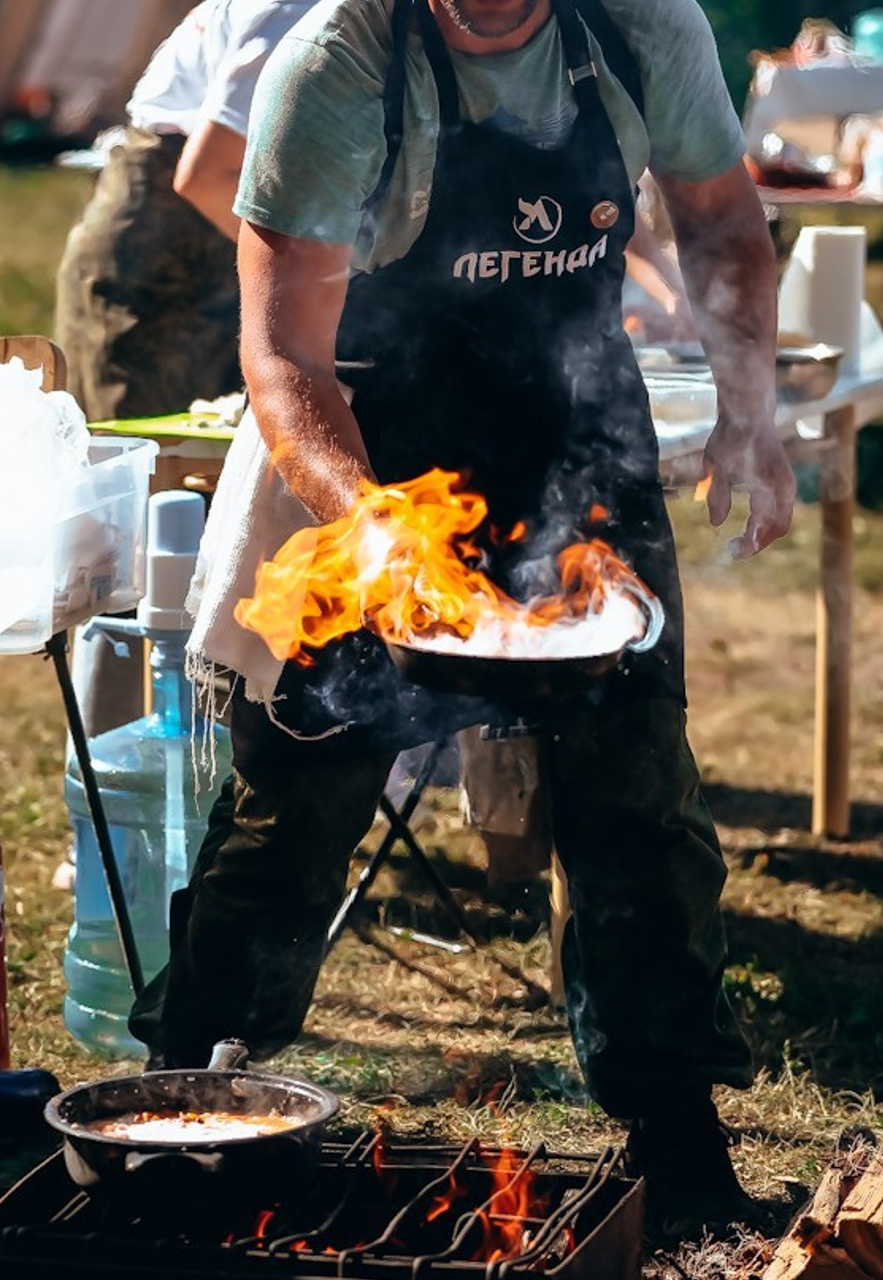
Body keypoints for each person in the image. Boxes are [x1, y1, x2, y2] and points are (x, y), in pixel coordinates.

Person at [128, 0, 797, 1247]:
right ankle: (185, 1103)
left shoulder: (641, 28)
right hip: (366, 460)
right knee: (296, 805)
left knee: (636, 799)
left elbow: (718, 222)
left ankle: (676, 1137)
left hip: (575, 454)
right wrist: (378, 531)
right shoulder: (336, 63)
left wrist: (748, 411)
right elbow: (283, 357)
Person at [54, 0, 318, 422]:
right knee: (140, 447)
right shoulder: (300, 13)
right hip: (159, 257)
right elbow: (205, 177)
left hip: (215, 232)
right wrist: (317, 276)